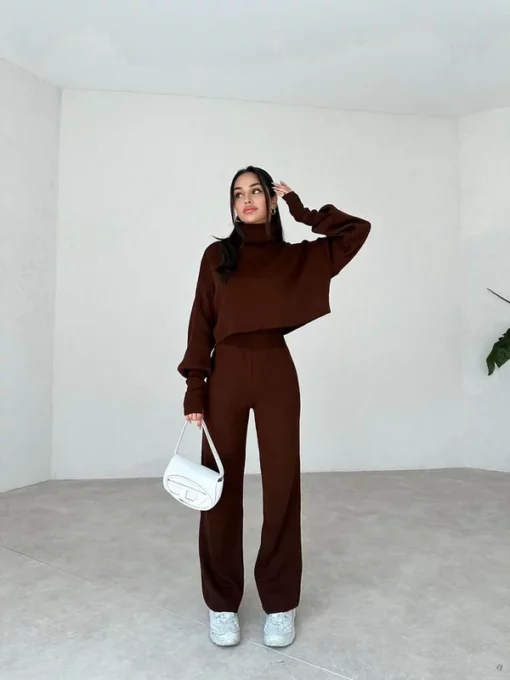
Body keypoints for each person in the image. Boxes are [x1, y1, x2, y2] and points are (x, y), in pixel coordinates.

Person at [178, 166, 371, 648]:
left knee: (283, 485)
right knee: (218, 488)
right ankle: (222, 603)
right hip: (225, 375)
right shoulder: (217, 256)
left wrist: (303, 211)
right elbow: (201, 319)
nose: (246, 200)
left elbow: (356, 231)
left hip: (275, 372)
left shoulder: (293, 257)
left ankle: (280, 603)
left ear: (271, 199)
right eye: (238, 194)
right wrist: (195, 386)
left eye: (256, 192)